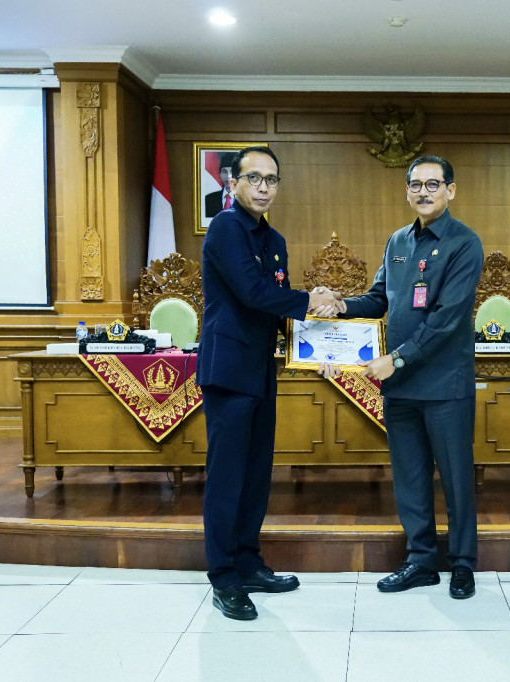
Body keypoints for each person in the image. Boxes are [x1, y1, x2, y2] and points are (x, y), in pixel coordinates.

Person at [315, 155, 484, 600]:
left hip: (445, 385)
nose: (423, 192)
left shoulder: (465, 243)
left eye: (433, 184)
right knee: (409, 476)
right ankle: (421, 560)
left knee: (455, 478)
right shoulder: (397, 242)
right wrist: (340, 306)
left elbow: (448, 318)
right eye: (415, 184)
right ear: (407, 190)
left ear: (451, 189)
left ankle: (463, 564)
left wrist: (400, 358)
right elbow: (377, 299)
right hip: (402, 386)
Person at [197, 145, 337, 620]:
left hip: (261, 370)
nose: (263, 187)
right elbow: (254, 293)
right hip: (228, 372)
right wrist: (309, 299)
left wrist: (317, 347)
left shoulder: (274, 239)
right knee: (227, 478)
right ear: (233, 183)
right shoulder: (224, 228)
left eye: (272, 179)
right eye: (254, 178)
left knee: (256, 476)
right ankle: (223, 577)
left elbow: (276, 308)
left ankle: (249, 563)